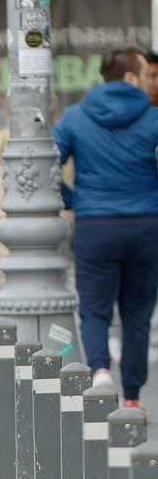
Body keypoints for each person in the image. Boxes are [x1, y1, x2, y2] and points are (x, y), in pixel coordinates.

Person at [54, 46, 158, 407]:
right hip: (146, 227)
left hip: (95, 226)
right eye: (146, 75)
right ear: (130, 78)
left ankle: (99, 371)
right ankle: (131, 396)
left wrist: (73, 199)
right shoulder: (154, 118)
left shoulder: (74, 116)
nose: (150, 82)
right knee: (137, 314)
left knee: (94, 310)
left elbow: (45, 165)